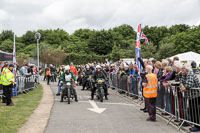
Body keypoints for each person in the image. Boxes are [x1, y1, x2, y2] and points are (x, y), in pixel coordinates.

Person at [180, 64, 200, 132]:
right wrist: (182, 86)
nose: (181, 69)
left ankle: (197, 126)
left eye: (183, 68)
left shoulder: (190, 74)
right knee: (191, 110)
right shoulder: (183, 74)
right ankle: (195, 124)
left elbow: (189, 84)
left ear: (186, 69)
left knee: (195, 111)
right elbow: (181, 82)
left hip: (195, 95)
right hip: (190, 95)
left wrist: (184, 86)